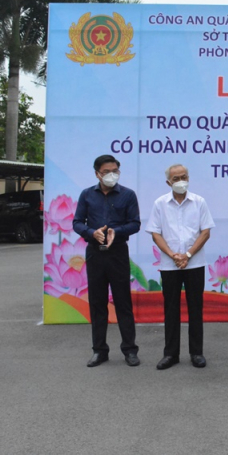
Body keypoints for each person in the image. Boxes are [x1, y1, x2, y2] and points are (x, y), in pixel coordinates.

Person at [73, 154, 141, 367]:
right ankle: (99, 350)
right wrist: (91, 232)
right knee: (97, 303)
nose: (112, 175)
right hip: (95, 253)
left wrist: (115, 232)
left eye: (115, 171)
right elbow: (77, 222)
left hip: (117, 252)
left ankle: (130, 350)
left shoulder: (128, 195)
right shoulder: (87, 195)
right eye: (106, 172)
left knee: (123, 302)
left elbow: (135, 224)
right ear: (97, 174)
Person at [145, 164, 215, 370]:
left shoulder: (199, 202)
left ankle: (196, 353)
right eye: (176, 178)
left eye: (184, 177)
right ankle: (170, 354)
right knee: (171, 309)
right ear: (168, 182)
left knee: (195, 308)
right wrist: (172, 255)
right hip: (170, 265)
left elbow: (205, 232)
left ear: (189, 178)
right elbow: (155, 233)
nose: (181, 181)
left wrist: (188, 255)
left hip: (195, 263)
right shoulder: (160, 203)